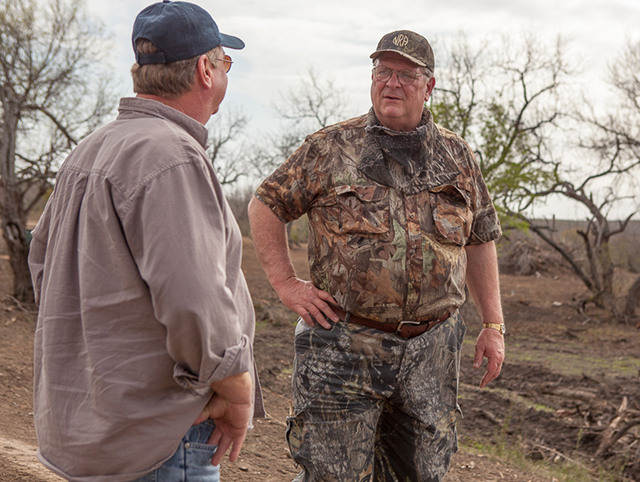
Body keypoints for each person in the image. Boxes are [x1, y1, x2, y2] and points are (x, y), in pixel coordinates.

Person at [248, 30, 505, 481]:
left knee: (421, 474)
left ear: (429, 88)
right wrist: (287, 284)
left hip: (432, 349)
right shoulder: (329, 148)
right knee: (330, 476)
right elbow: (265, 205)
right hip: (344, 345)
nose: (392, 83)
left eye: (407, 75)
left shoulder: (458, 155)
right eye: (382, 71)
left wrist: (493, 325)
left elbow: (480, 237)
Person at [28, 2, 264, 481]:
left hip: (98, 434)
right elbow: (193, 298)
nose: (224, 75)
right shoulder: (172, 156)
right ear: (205, 69)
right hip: (161, 443)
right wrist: (237, 393)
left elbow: (44, 273)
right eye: (226, 63)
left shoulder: (89, 150)